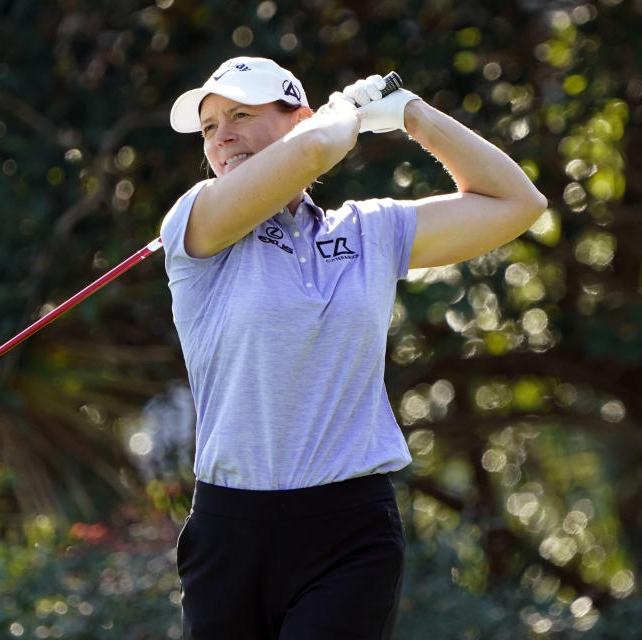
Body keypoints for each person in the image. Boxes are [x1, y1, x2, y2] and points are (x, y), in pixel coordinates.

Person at [160, 56, 546, 640]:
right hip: (229, 531)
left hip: (350, 529)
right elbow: (315, 152)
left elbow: (519, 203)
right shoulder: (197, 223)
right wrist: (346, 112)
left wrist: (411, 115)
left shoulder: (369, 231)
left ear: (298, 118)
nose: (222, 137)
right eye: (210, 127)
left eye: (240, 114)